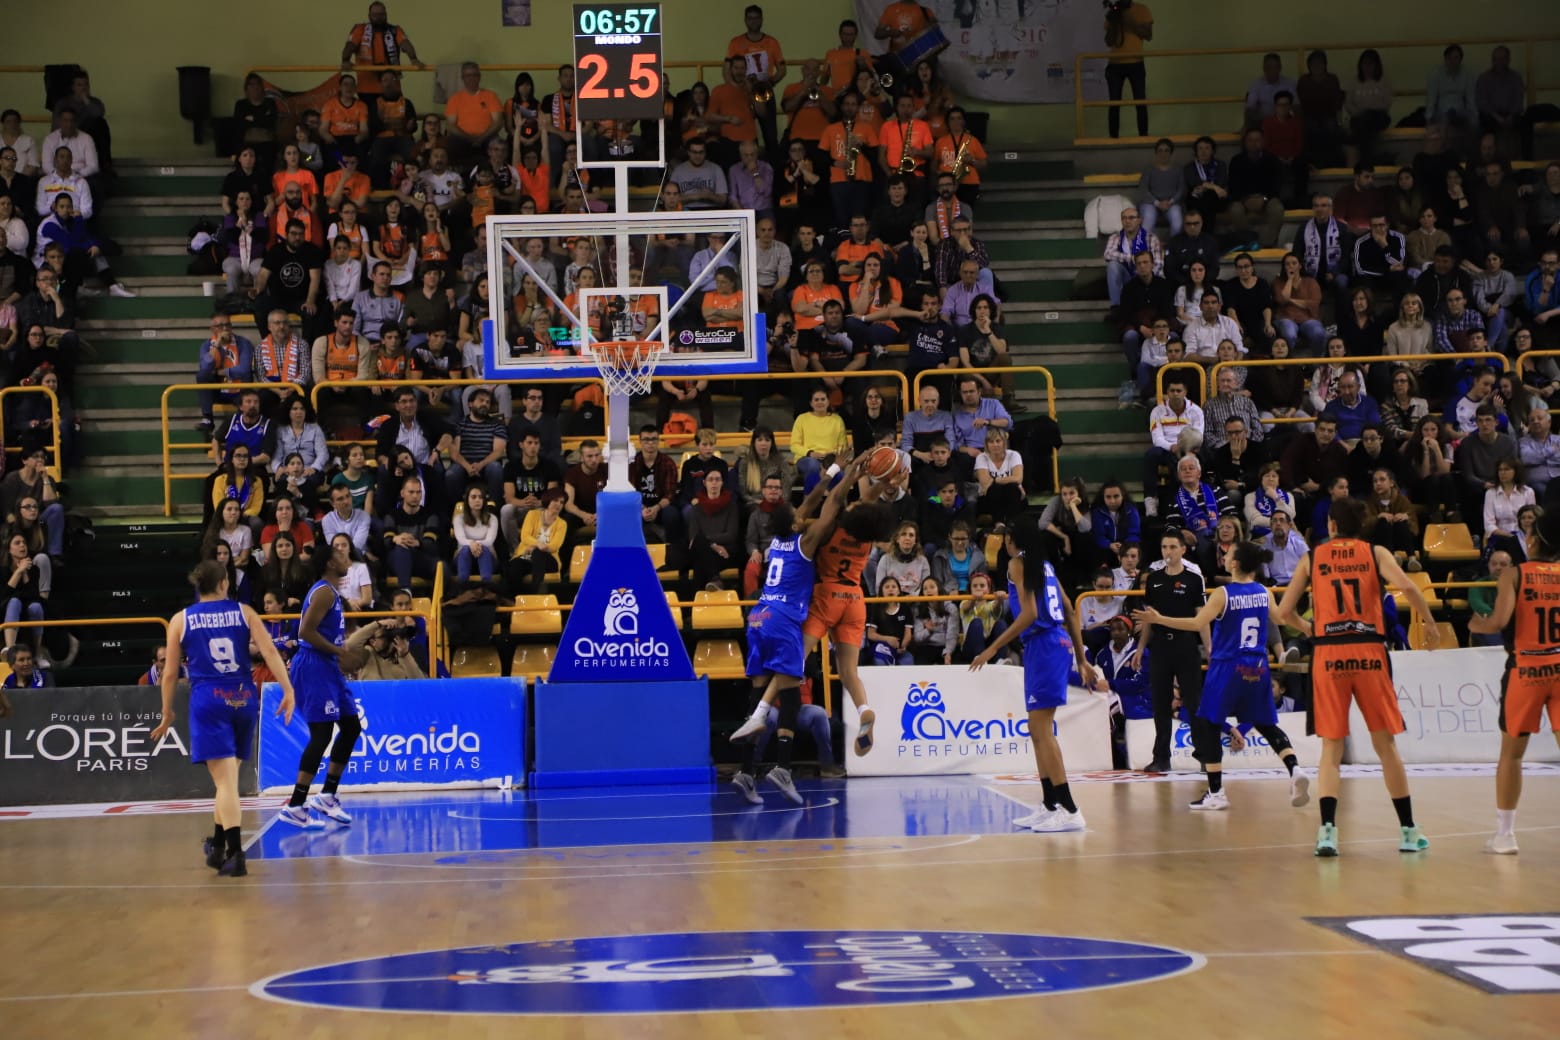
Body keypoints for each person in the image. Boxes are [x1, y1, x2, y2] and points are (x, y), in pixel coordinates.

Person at [1276, 497, 1440, 857]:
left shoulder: (1312, 557)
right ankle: (1409, 830)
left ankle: (1328, 832)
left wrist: (1311, 629)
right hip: (1369, 651)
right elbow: (1411, 588)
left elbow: (1284, 611)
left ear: (1331, 525)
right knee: (1385, 746)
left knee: (1331, 748)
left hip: (1330, 653)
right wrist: (1428, 623)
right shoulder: (1375, 552)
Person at [731, 458, 869, 804]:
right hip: (782, 621)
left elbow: (811, 501)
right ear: (794, 523)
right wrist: (853, 472)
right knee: (791, 693)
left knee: (761, 691)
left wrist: (834, 469)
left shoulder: (776, 541)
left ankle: (746, 772)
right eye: (797, 514)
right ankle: (781, 766)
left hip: (758, 618)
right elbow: (833, 504)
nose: (802, 514)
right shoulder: (804, 545)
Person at [1134, 540, 1310, 810]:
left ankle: (1216, 793)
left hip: (1228, 665)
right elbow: (1282, 620)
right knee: (1265, 723)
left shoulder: (1223, 594)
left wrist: (1159, 620)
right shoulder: (1264, 591)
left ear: (1235, 563)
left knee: (1206, 724)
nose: (1225, 556)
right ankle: (1294, 769)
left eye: (1228, 554)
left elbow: (1195, 623)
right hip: (1258, 666)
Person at [151, 560, 295, 877]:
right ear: (224, 584)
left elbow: (171, 672)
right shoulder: (245, 612)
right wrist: (287, 689)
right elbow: (270, 651)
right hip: (243, 697)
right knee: (226, 782)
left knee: (226, 783)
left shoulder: (180, 620)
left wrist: (167, 710)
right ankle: (217, 847)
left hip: (209, 698)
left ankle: (235, 853)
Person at [970, 523, 1099, 831]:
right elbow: (1069, 608)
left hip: (1044, 642)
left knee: (1043, 729)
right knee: (1036, 728)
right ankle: (1050, 803)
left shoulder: (1017, 564)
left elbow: (1028, 614)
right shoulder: (1044, 565)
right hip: (1052, 643)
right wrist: (1080, 658)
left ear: (1011, 541)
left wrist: (991, 649)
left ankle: (1069, 809)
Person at [1467, 508, 1560, 854]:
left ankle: (1505, 835)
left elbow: (1497, 622)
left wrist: (1475, 624)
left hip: (1526, 671)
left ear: (1532, 540)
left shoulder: (1515, 575)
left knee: (1512, 754)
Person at [278, 546, 370, 829]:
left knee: (352, 726)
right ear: (330, 562)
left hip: (326, 665)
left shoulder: (332, 593)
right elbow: (304, 632)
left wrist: (341, 651)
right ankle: (296, 804)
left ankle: (328, 794)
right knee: (322, 734)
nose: (348, 560)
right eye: (343, 556)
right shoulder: (324, 592)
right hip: (314, 665)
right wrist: (339, 652)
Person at [1133, 530, 1209, 772]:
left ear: (1183, 550)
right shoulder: (1154, 579)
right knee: (1160, 703)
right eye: (1165, 547)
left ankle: (1205, 756)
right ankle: (1161, 757)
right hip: (1160, 647)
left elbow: (1202, 617)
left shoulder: (1194, 579)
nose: (1168, 551)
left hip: (1185, 644)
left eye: (1173, 547)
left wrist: (1210, 647)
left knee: (1194, 702)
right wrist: (1141, 647)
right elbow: (1149, 618)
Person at [1101, 0, 1153, 138]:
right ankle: (1113, 138)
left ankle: (1143, 137)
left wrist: (1131, 23)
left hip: (1136, 62)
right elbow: (1109, 42)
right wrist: (1115, 22)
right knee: (1114, 103)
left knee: (1140, 102)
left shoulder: (1142, 9)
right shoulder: (1114, 11)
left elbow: (1148, 35)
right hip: (1115, 64)